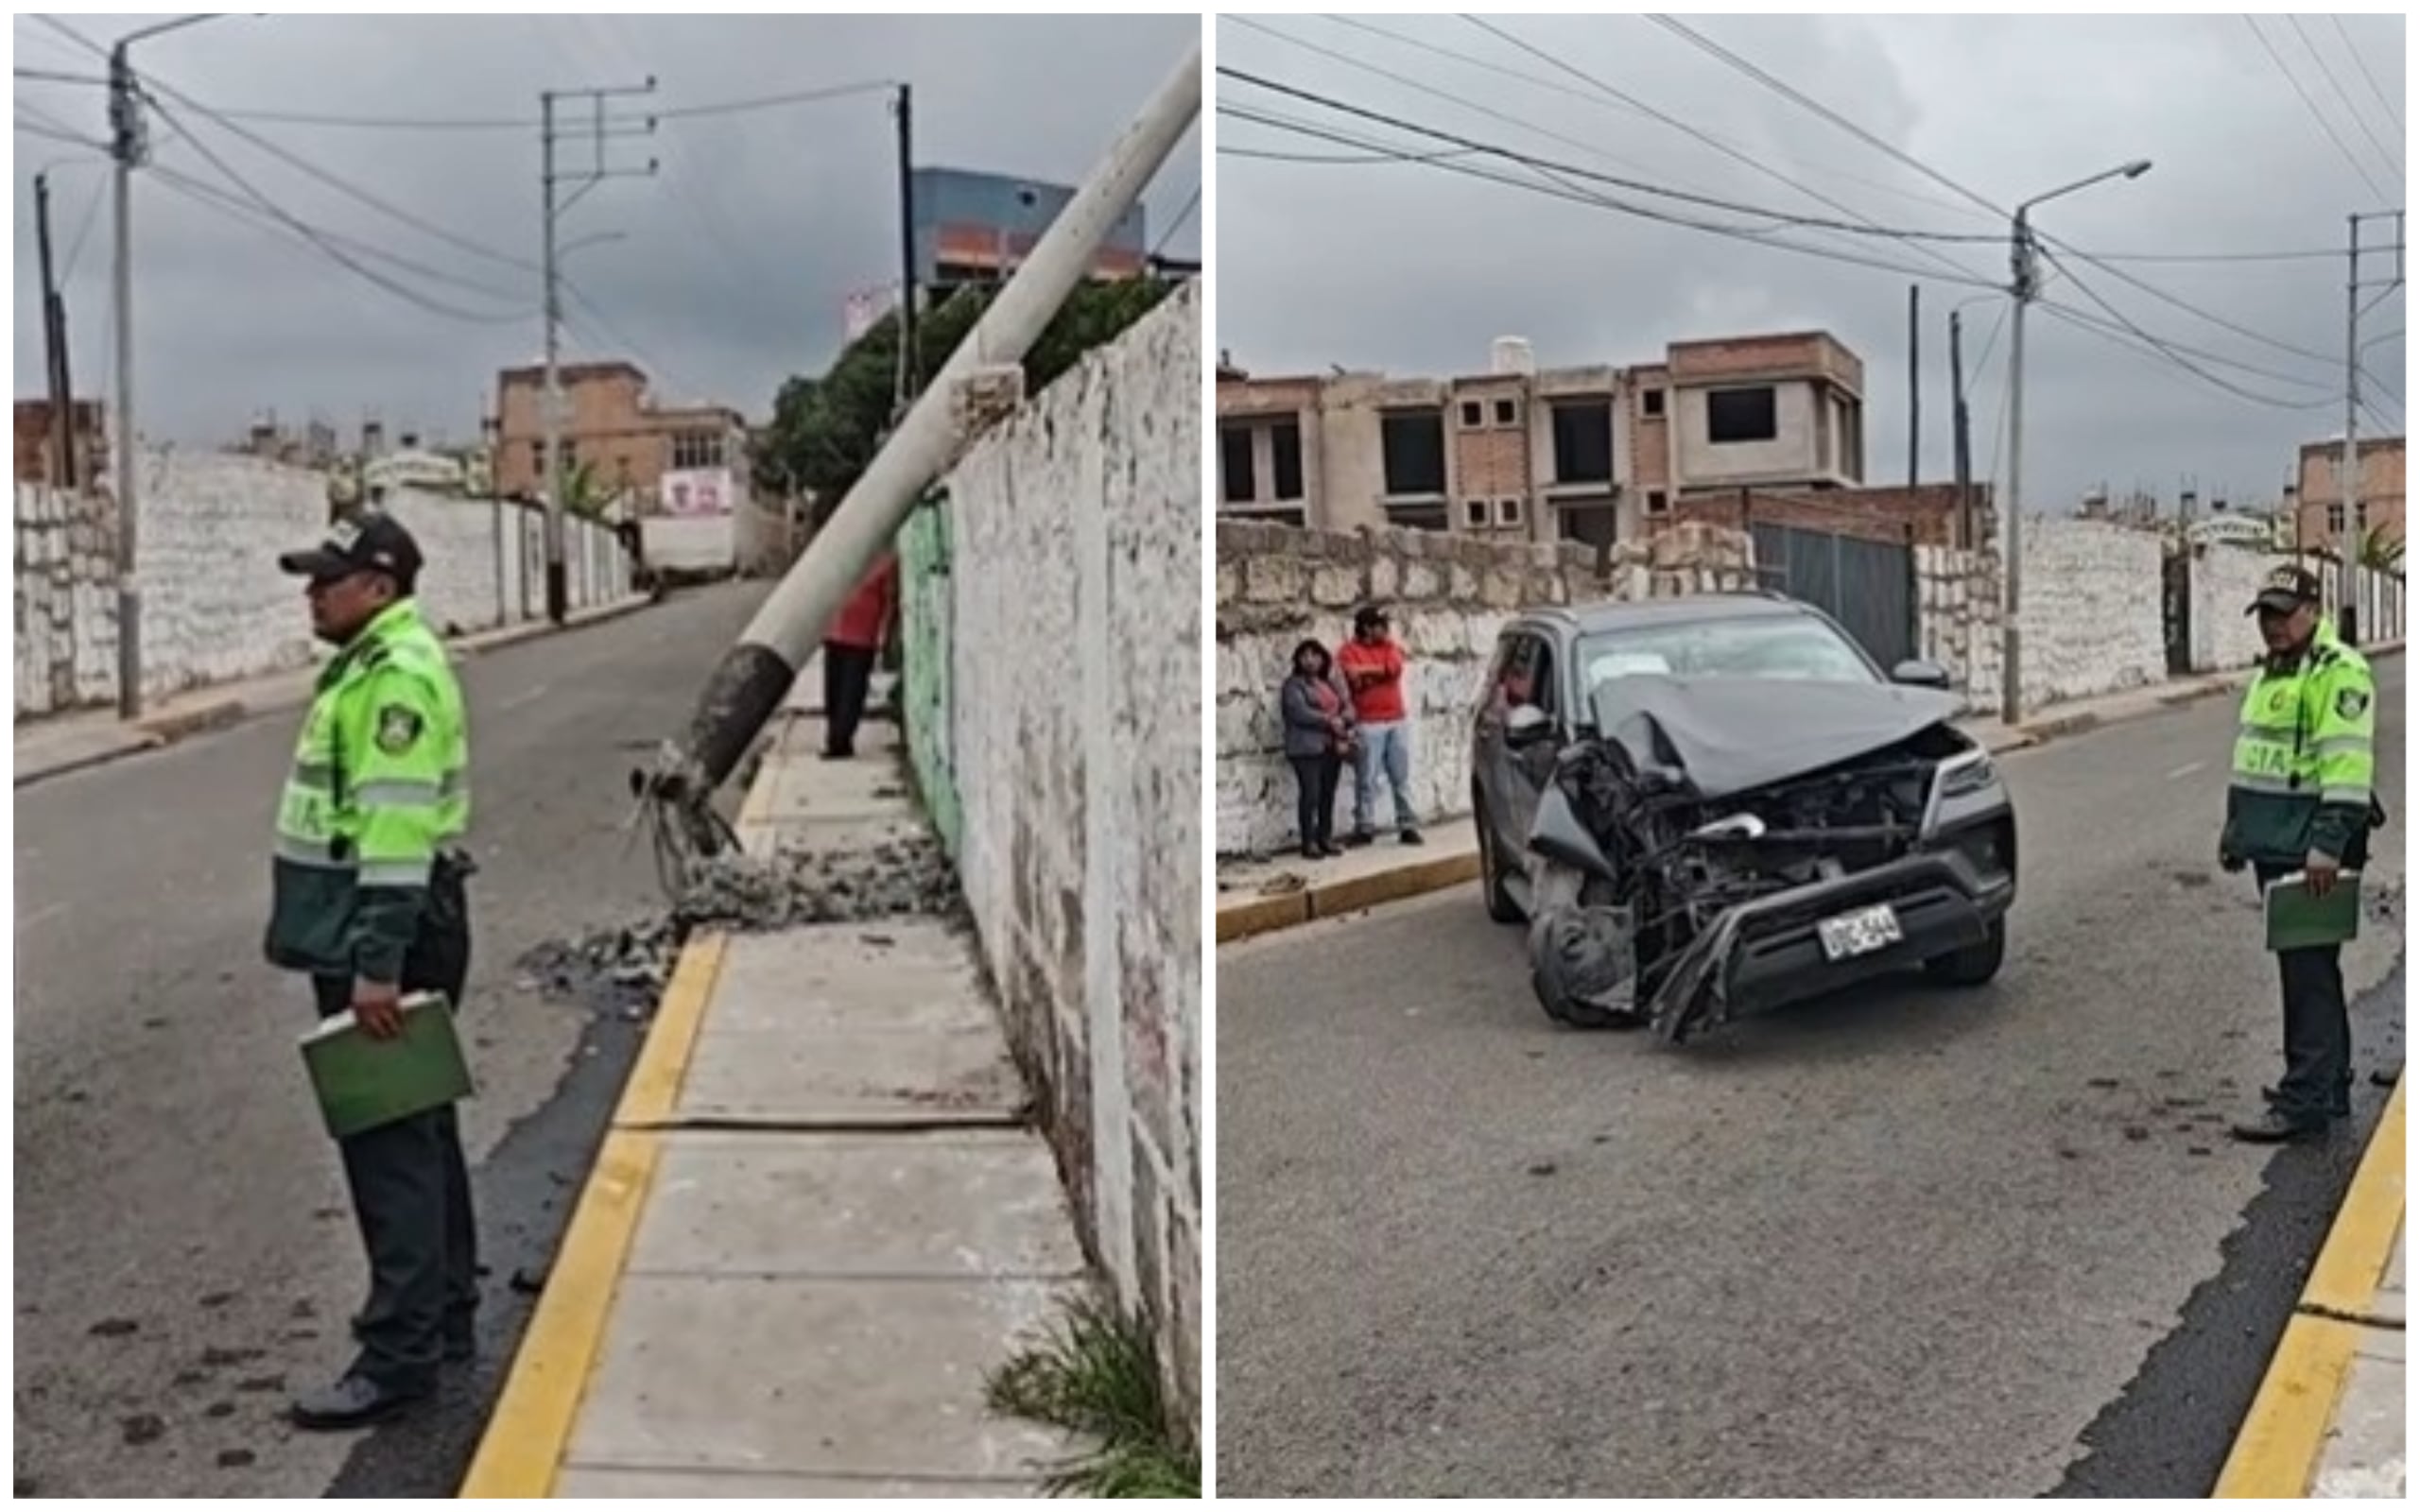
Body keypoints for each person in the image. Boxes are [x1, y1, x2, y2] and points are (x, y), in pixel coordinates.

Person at [266, 510, 479, 1428]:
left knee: (388, 1145)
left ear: (380, 588)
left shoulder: (395, 680)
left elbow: (393, 834)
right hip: (387, 930)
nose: (313, 591)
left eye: (329, 577)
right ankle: (448, 1313)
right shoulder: (372, 664)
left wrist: (376, 969)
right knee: (418, 1129)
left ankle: (398, 1357)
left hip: (381, 936)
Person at [2220, 565, 2379, 1143]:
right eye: (2265, 614)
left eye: (2284, 613)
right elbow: (2255, 758)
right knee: (2308, 967)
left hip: (2312, 847)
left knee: (2307, 969)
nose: (2273, 625)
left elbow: (2346, 766)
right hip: (2274, 840)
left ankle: (2305, 1097)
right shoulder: (2275, 672)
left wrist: (2328, 844)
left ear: (2314, 609)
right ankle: (2326, 1081)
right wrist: (2238, 831)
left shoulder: (2339, 673)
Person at [1337, 604, 1422, 846]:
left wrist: (1366, 671)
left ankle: (1407, 824)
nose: (1385, 630)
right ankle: (1365, 826)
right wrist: (1374, 672)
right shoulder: (1348, 651)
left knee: (1400, 776)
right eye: (1379, 626)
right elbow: (1350, 676)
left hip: (1396, 718)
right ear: (1366, 628)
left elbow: (1393, 669)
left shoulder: (1389, 647)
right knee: (1367, 778)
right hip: (1368, 721)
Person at [1279, 639, 1354, 860]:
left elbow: (1347, 705)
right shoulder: (1293, 685)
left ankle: (1325, 837)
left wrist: (1345, 718)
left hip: (1331, 746)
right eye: (1305, 656)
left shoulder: (1329, 684)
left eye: (1315, 655)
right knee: (1310, 794)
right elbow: (1298, 712)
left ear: (1323, 659)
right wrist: (1329, 720)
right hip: (1306, 749)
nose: (1310, 660)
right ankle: (1308, 841)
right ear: (1298, 661)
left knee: (1327, 794)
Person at [822, 553, 898, 760]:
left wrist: (884, 634)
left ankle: (840, 740)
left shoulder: (885, 563)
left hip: (862, 635)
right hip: (837, 631)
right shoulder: (844, 555)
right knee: (834, 690)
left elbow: (889, 600)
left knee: (851, 690)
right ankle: (836, 738)